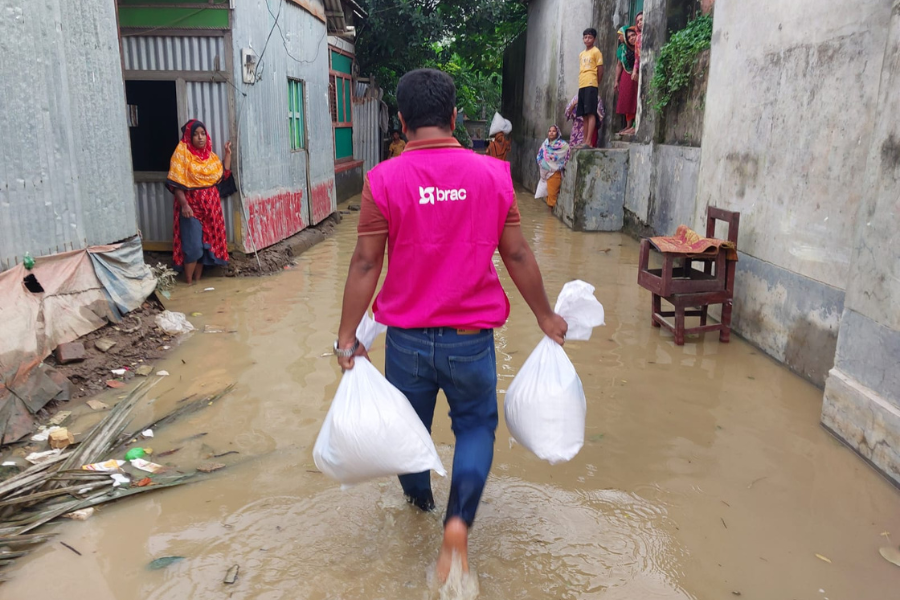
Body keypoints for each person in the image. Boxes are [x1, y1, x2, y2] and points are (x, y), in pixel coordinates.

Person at [334, 68, 567, 583]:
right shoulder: (492, 174)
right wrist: (546, 316)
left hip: (408, 345)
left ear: (400, 121)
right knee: (477, 429)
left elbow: (366, 264)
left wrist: (347, 337)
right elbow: (518, 254)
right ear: (455, 116)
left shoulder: (383, 180)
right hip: (470, 343)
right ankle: (456, 525)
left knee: (407, 433)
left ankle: (419, 508)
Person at [165, 120, 232, 284]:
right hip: (192, 208)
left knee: (204, 246)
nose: (200, 138)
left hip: (211, 209)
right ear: (188, 137)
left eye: (202, 133)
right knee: (193, 247)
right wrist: (184, 205)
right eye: (195, 134)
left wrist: (228, 153)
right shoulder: (182, 155)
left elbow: (223, 175)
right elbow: (176, 184)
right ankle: (188, 283)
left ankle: (197, 283)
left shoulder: (211, 157)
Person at [576, 27, 604, 149]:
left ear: (594, 39)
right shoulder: (581, 54)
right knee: (584, 114)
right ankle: (584, 140)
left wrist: (596, 82)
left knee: (591, 112)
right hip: (582, 84)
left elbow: (600, 70)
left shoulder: (596, 52)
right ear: (583, 39)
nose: (587, 39)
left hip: (591, 84)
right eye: (585, 37)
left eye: (590, 37)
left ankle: (589, 141)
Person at [536, 125, 570, 210]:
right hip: (545, 174)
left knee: (552, 196)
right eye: (550, 131)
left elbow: (567, 153)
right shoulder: (545, 144)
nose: (551, 133)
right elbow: (540, 155)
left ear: (557, 133)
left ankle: (550, 218)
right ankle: (550, 218)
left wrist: (551, 157)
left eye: (553, 131)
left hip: (554, 173)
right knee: (547, 195)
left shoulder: (563, 145)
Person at [615, 27, 639, 135]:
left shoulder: (639, 46)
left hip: (637, 75)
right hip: (627, 75)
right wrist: (616, 80)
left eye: (633, 35)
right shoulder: (622, 49)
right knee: (627, 99)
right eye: (628, 37)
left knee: (635, 99)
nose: (631, 38)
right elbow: (619, 65)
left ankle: (635, 125)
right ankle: (629, 125)